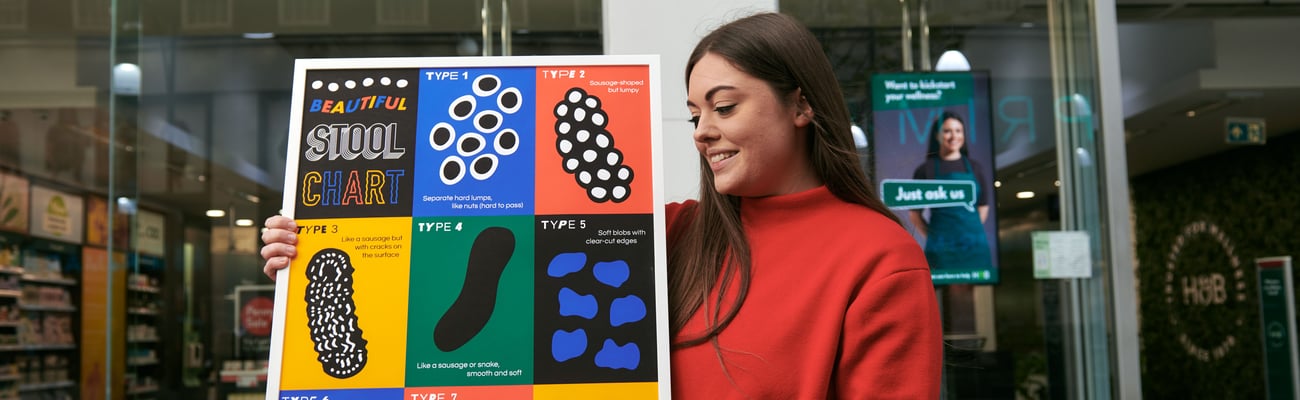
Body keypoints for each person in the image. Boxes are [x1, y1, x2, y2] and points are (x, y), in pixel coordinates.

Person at [262, 12, 941, 399]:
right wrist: (321, 248)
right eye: (693, 111)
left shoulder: (878, 258)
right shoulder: (666, 231)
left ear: (801, 105)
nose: (701, 129)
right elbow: (500, 293)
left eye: (724, 106)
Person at [908, 111, 993, 271]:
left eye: (958, 131)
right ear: (937, 135)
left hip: (974, 247)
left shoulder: (976, 168)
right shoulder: (925, 170)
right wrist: (936, 238)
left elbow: (983, 209)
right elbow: (914, 215)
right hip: (940, 251)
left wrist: (965, 234)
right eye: (947, 131)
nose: (954, 136)